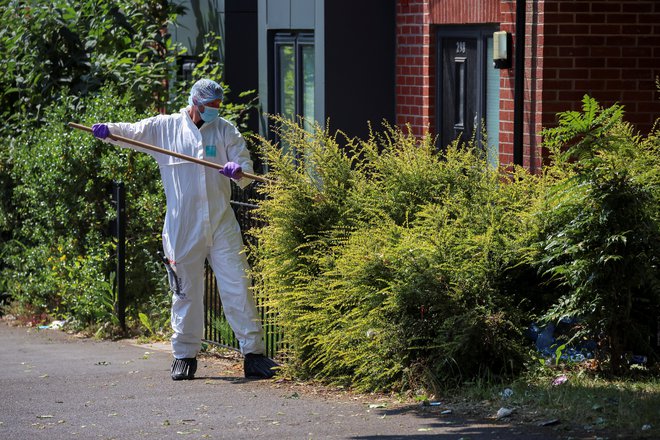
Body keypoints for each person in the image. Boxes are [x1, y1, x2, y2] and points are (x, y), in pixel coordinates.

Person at [92, 78, 277, 381]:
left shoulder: (226, 130)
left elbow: (246, 169)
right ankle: (184, 356)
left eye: (218, 107)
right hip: (182, 226)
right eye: (209, 107)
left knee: (238, 285)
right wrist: (108, 132)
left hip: (220, 222)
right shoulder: (166, 128)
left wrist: (238, 171)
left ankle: (254, 354)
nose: (214, 111)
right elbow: (132, 132)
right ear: (195, 103)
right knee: (185, 291)